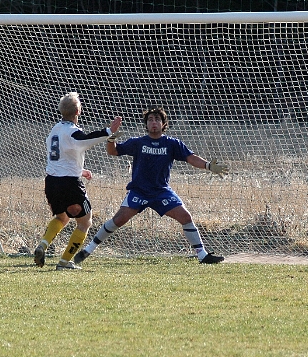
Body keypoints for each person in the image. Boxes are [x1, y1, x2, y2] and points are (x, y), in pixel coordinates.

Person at [74, 106, 229, 265]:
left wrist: (208, 166)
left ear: (163, 124)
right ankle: (88, 250)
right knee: (118, 220)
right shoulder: (138, 142)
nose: (153, 122)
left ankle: (202, 255)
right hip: (139, 192)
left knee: (186, 217)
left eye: (157, 119)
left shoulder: (172, 143)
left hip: (161, 192)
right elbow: (113, 151)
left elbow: (191, 158)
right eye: (150, 120)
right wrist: (111, 139)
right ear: (146, 125)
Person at [34, 92, 122, 270]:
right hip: (70, 185)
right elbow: (85, 139)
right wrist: (109, 132)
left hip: (51, 182)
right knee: (85, 222)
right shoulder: (73, 132)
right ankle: (64, 262)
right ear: (78, 111)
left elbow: (61, 159)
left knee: (62, 217)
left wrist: (80, 171)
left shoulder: (54, 131)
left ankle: (42, 245)